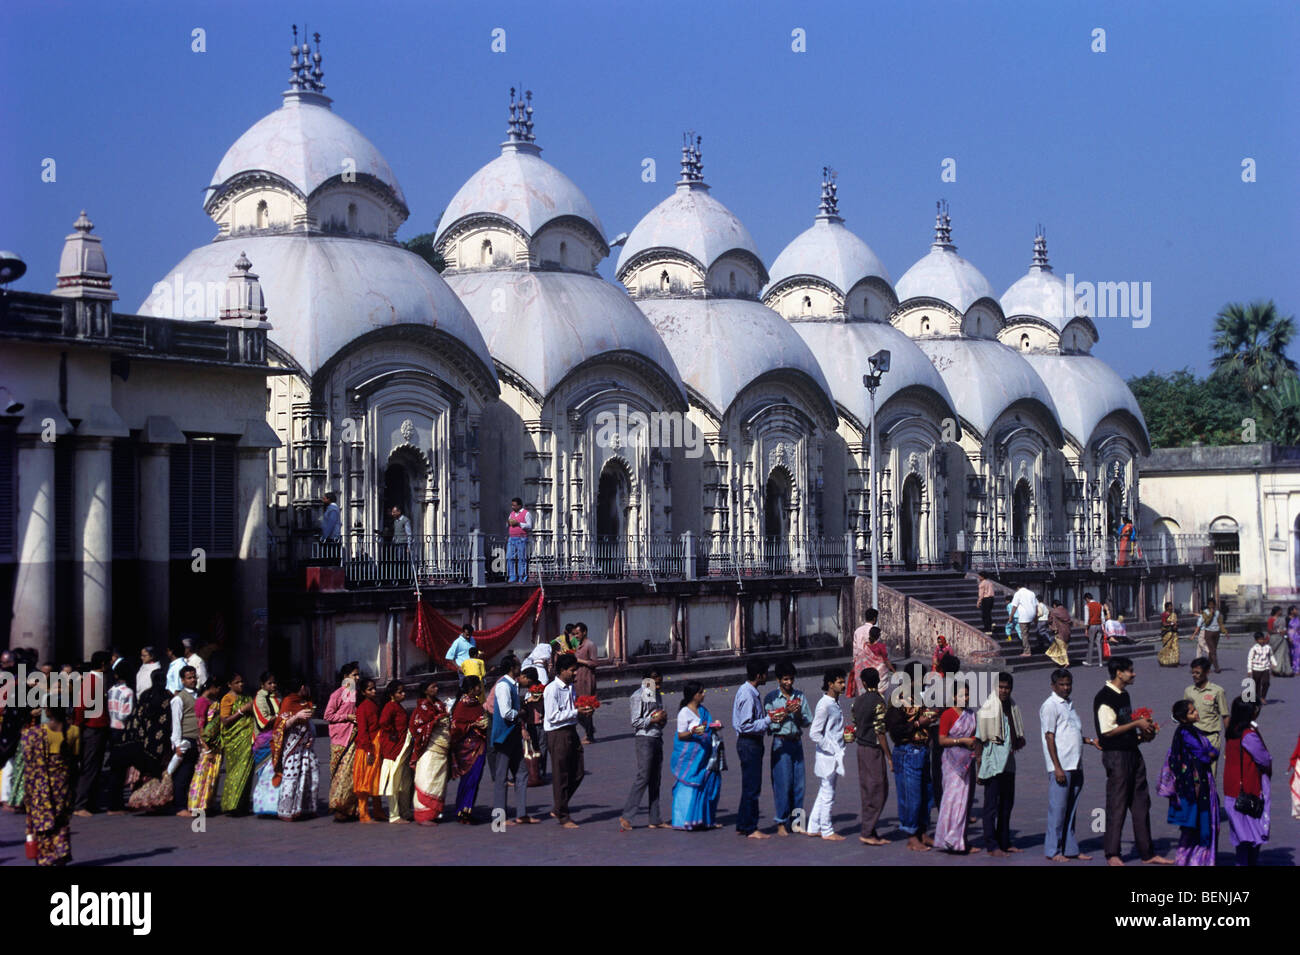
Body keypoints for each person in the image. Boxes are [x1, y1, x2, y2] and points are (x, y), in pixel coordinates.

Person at [1094, 656, 1172, 866]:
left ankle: (1147, 852)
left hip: (1132, 754)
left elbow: (1124, 726)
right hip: (1116, 757)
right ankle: (1112, 854)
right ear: (1119, 673)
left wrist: (1142, 736)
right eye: (1130, 670)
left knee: (1141, 803)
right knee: (1117, 804)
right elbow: (1107, 732)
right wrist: (1137, 724)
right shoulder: (1104, 697)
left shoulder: (1124, 695)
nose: (1133, 673)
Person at [1040, 669, 1097, 861]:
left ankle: (1070, 848)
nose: (1066, 688)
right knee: (1058, 809)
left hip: (1075, 763)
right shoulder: (1050, 706)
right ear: (1053, 686)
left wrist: (1089, 741)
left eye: (1068, 684)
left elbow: (1070, 732)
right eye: (1062, 684)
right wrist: (1056, 767)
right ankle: (1053, 850)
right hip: (1061, 765)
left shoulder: (1069, 705)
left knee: (1071, 809)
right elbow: (1050, 737)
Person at [1161, 699, 1219, 866]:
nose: (1196, 713)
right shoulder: (1185, 734)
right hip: (1193, 787)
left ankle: (1199, 859)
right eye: (1192, 712)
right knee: (1194, 824)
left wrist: (1210, 753)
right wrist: (1210, 754)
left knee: (1198, 823)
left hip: (1201, 783)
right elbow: (1204, 754)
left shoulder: (1194, 730)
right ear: (1184, 718)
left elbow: (1211, 749)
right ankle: (1191, 859)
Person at [21, 703, 78, 866]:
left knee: (43, 822)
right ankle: (61, 853)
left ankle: (46, 857)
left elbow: (28, 758)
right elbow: (74, 761)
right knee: (61, 821)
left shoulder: (33, 734)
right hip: (62, 784)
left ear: (47, 711)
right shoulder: (73, 731)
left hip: (39, 785)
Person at [976, 672, 1025, 856]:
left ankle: (1004, 841)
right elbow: (979, 740)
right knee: (991, 806)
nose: (1004, 691)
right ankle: (992, 845)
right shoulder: (988, 709)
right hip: (992, 763)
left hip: (1008, 763)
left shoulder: (1012, 707)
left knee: (1006, 804)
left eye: (1007, 688)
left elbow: (1016, 732)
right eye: (1001, 687)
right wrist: (978, 768)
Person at [886, 689, 938, 852]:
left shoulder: (922, 698)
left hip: (922, 751)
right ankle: (911, 836)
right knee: (911, 796)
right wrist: (917, 723)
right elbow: (895, 729)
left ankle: (922, 832)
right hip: (907, 751)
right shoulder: (898, 701)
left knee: (926, 794)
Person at [764, 660, 812, 836]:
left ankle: (797, 821)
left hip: (796, 741)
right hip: (780, 742)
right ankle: (781, 822)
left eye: (791, 679)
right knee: (782, 784)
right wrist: (785, 710)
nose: (789, 683)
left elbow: (806, 721)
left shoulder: (800, 696)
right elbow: (770, 725)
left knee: (799, 784)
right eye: (785, 679)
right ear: (778, 680)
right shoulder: (771, 698)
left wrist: (797, 712)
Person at [732, 658, 779, 838]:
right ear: (759, 675)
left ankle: (743, 823)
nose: (767, 676)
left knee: (749, 785)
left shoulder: (749, 691)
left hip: (751, 742)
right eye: (765, 673)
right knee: (753, 786)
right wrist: (768, 720)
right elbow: (745, 725)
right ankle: (751, 827)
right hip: (749, 742)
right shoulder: (747, 694)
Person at [544, 653, 592, 828]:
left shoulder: (570, 687)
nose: (575, 674)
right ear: (562, 670)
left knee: (578, 771)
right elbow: (553, 716)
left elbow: (571, 709)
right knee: (561, 774)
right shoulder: (552, 689)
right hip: (557, 734)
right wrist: (576, 712)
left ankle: (559, 806)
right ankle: (563, 815)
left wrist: (583, 711)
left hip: (571, 730)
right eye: (572, 671)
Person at [1222, 697, 1271, 866]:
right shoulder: (1249, 735)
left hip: (1232, 789)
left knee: (1241, 836)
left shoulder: (1232, 731)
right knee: (1252, 835)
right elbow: (1264, 759)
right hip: (1248, 790)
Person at [620, 668, 668, 831]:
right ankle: (627, 815)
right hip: (644, 738)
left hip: (657, 736)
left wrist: (661, 720)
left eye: (660, 682)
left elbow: (658, 715)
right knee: (644, 776)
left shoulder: (657, 695)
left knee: (656, 778)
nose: (659, 685)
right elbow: (636, 721)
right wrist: (653, 719)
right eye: (656, 682)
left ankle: (655, 817)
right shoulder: (638, 696)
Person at [671, 680, 723, 830]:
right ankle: (684, 820)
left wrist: (714, 727)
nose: (703, 694)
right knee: (689, 786)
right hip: (690, 759)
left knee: (708, 785)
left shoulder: (703, 711)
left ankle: (705, 819)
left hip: (704, 755)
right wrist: (693, 732)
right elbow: (681, 735)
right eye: (701, 692)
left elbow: (707, 728)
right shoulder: (684, 713)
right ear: (694, 696)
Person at [489, 655, 534, 826]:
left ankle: (521, 813)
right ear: (512, 667)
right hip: (504, 735)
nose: (520, 667)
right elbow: (506, 712)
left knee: (522, 773)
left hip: (513, 733)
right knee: (501, 777)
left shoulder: (513, 685)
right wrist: (520, 713)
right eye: (518, 664)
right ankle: (499, 818)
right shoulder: (503, 685)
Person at [935, 682, 980, 853]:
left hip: (967, 761)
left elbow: (975, 737)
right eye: (961, 695)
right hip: (951, 762)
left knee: (964, 801)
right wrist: (961, 741)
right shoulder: (948, 714)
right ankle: (949, 838)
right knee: (952, 801)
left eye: (967, 695)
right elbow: (942, 740)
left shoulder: (970, 714)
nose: (965, 698)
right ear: (954, 696)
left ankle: (960, 840)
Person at [805, 668, 847, 841]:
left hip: (833, 753)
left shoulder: (834, 703)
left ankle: (813, 827)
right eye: (840, 682)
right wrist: (832, 747)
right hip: (828, 755)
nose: (843, 685)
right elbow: (814, 733)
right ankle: (827, 830)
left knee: (824, 791)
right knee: (829, 793)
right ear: (830, 684)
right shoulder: (825, 704)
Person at [124, 669, 174, 812]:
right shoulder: (167, 697)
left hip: (145, 741)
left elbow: (137, 717)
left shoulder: (145, 695)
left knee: (145, 770)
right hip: (162, 741)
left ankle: (140, 800)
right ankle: (158, 801)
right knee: (161, 771)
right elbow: (170, 721)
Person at [852, 667, 890, 846]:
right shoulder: (879, 701)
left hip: (861, 748)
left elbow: (855, 723)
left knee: (867, 789)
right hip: (873, 750)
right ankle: (867, 831)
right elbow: (880, 732)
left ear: (864, 683)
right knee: (878, 790)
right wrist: (888, 755)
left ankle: (870, 829)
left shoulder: (857, 701)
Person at [270, 679, 318, 821]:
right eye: (306, 687)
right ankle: (286, 810)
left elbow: (310, 722)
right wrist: (296, 716)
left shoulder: (306, 702)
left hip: (305, 746)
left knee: (310, 773)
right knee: (291, 776)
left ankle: (305, 808)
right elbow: (280, 726)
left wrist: (311, 737)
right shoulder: (288, 701)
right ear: (302, 687)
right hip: (292, 747)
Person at [71, 650, 110, 816]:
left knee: (96, 766)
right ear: (102, 664)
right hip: (91, 728)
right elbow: (81, 707)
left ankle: (91, 802)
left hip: (99, 728)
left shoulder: (98, 679)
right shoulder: (91, 680)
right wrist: (79, 726)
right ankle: (81, 804)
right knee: (89, 766)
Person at [408, 681, 452, 825]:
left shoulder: (439, 705)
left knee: (439, 781)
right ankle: (422, 815)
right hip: (429, 749)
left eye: (437, 686)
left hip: (442, 751)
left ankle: (433, 812)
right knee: (427, 779)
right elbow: (416, 727)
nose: (436, 688)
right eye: (433, 686)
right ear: (425, 690)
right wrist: (434, 722)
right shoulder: (421, 708)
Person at [323, 663, 359, 822]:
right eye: (354, 675)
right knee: (341, 774)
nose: (357, 678)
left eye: (358, 675)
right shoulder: (337, 694)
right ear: (346, 677)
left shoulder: (354, 693)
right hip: (340, 739)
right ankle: (339, 806)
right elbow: (328, 715)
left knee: (351, 775)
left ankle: (350, 808)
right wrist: (347, 717)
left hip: (353, 737)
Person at [1184, 657, 1229, 775]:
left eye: (1197, 673)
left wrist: (1229, 741)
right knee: (1193, 775)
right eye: (1192, 672)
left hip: (1211, 738)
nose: (1194, 675)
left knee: (1209, 775)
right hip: (1193, 738)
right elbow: (1183, 715)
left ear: (1207, 672)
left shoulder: (1217, 691)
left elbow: (1225, 715)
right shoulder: (1189, 691)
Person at [218, 673, 255, 813]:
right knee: (235, 772)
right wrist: (242, 710)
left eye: (242, 682)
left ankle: (242, 804)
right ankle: (231, 804)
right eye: (237, 682)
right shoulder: (227, 699)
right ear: (230, 684)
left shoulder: (246, 698)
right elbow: (225, 721)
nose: (241, 684)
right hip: (234, 741)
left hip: (247, 740)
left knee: (247, 772)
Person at [377, 680, 413, 824]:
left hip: (401, 747)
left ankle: (404, 811)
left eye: (403, 691)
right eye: (400, 692)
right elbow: (383, 723)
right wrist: (393, 734)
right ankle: (394, 815)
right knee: (393, 781)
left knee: (404, 782)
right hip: (393, 749)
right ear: (392, 695)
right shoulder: (390, 707)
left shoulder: (397, 707)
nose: (403, 694)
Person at [168, 665, 201, 816]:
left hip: (197, 740)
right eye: (189, 678)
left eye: (194, 677)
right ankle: (179, 806)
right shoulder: (178, 699)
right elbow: (176, 723)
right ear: (182, 680)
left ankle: (190, 802)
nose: (193, 680)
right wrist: (176, 744)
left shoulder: (199, 695)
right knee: (183, 773)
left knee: (193, 774)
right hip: (185, 740)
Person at [187, 679, 224, 814]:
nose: (219, 691)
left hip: (215, 743)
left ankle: (207, 803)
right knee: (203, 773)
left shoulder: (211, 702)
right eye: (218, 688)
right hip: (207, 744)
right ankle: (198, 804)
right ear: (212, 687)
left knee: (211, 774)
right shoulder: (202, 702)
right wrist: (206, 746)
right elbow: (200, 726)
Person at [249, 672, 283, 817]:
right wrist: (282, 718)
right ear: (262, 685)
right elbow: (263, 721)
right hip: (264, 742)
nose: (273, 685)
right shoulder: (259, 698)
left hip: (276, 739)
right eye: (269, 683)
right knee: (265, 776)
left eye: (274, 683)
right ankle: (262, 806)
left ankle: (275, 806)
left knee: (276, 773)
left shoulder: (276, 698)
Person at [104, 662, 136, 814]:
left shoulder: (111, 690)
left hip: (112, 728)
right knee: (120, 770)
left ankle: (112, 803)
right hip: (122, 730)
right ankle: (116, 805)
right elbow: (126, 713)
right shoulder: (128, 692)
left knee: (114, 769)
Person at [352, 677, 383, 823]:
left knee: (376, 780)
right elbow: (363, 731)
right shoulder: (363, 708)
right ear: (363, 692)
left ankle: (378, 811)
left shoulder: (374, 705)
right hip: (367, 748)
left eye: (374, 688)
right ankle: (363, 813)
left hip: (376, 745)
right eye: (370, 689)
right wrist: (369, 751)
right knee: (365, 781)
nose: (374, 691)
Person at [572, 622, 598, 743]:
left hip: (587, 679)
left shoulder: (590, 645)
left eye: (577, 633)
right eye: (574, 634)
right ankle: (590, 730)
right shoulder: (580, 645)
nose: (576, 636)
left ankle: (589, 734)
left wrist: (579, 660)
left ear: (584, 632)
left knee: (586, 707)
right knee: (579, 707)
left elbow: (594, 663)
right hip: (579, 679)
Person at [847, 606, 882, 696]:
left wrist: (854, 662)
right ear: (874, 619)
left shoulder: (858, 631)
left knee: (861, 689)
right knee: (874, 689)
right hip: (872, 663)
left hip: (859, 663)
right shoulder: (874, 631)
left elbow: (855, 649)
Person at [1191, 599, 1223, 673]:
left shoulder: (1209, 615)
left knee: (1205, 648)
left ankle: (1211, 657)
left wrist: (1193, 635)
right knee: (1198, 649)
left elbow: (1198, 627)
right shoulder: (1204, 615)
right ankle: (1197, 665)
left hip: (1204, 633)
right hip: (1206, 632)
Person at [506, 496, 531, 583]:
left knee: (521, 558)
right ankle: (512, 576)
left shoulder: (526, 513)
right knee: (509, 557)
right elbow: (508, 522)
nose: (513, 507)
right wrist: (509, 523)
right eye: (512, 505)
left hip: (521, 538)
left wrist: (519, 524)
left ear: (519, 505)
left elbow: (529, 526)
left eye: (515, 505)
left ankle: (522, 576)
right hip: (512, 538)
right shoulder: (511, 514)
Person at [1010, 584, 1037, 657]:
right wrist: (1035, 617)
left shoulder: (1018, 593)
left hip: (1024, 615)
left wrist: (1011, 616)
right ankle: (1027, 648)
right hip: (1032, 614)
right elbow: (1036, 605)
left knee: (1024, 634)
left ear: (1017, 587)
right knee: (1026, 632)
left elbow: (1014, 606)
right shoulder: (1031, 593)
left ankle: (1027, 651)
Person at [1247, 631, 1273, 705]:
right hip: (1256, 669)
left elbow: (1271, 655)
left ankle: (1263, 697)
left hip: (1265, 668)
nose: (1261, 641)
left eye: (1262, 639)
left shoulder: (1267, 647)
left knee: (1266, 682)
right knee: (1256, 683)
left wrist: (1274, 663)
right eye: (1260, 639)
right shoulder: (1253, 649)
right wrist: (1249, 670)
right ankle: (1257, 697)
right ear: (1256, 640)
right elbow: (1250, 659)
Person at [1266, 605, 1292, 677]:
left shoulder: (1282, 619)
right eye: (1280, 610)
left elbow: (1285, 628)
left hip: (1283, 638)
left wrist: (1285, 633)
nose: (1281, 612)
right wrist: (1278, 632)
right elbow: (1269, 630)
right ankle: (1275, 670)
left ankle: (1284, 670)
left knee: (1284, 654)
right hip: (1275, 638)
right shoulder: (1271, 619)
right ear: (1277, 611)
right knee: (1275, 654)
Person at [1046, 600, 1072, 668]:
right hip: (1067, 632)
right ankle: (1061, 661)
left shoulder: (1054, 612)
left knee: (1061, 648)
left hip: (1059, 632)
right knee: (1060, 647)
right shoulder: (1065, 611)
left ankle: (1066, 662)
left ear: (1054, 605)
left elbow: (1049, 620)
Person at [1082, 593, 1105, 666]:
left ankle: (1089, 662)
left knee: (1091, 643)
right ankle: (1100, 662)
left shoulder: (1087, 606)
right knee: (1099, 643)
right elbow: (1102, 618)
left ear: (1087, 599)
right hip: (1099, 625)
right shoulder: (1100, 605)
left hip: (1092, 626)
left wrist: (1086, 629)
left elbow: (1086, 618)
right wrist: (1103, 627)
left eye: (1086, 600)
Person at [1158, 601, 1181, 667]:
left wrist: (1176, 625)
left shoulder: (1174, 614)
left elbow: (1176, 622)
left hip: (1174, 633)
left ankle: (1176, 661)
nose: (1171, 607)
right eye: (1170, 606)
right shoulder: (1164, 614)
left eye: (1171, 606)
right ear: (1167, 608)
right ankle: (1164, 660)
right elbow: (1164, 623)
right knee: (1167, 647)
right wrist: (1171, 624)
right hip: (1167, 633)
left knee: (1175, 647)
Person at [1288, 605, 1300, 676]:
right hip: (1292, 637)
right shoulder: (1288, 619)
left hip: (1298, 637)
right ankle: (1296, 669)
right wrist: (1290, 638)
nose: (1297, 611)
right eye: (1295, 610)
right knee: (1295, 654)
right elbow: (1288, 630)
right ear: (1291, 611)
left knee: (1297, 654)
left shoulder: (1297, 619)